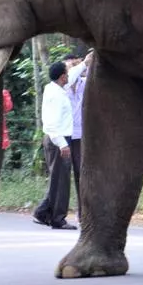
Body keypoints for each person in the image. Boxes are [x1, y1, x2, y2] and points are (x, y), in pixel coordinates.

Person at [33, 61, 77, 230]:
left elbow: (71, 78)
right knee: (61, 181)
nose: (69, 75)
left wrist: (84, 64)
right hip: (58, 139)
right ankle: (58, 218)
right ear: (62, 77)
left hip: (59, 138)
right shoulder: (56, 95)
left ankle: (43, 212)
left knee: (57, 178)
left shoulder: (55, 88)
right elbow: (51, 123)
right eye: (67, 73)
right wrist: (62, 144)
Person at [63, 51, 91, 218]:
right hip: (64, 136)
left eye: (76, 65)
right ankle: (56, 212)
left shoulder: (85, 83)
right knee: (61, 176)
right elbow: (71, 78)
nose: (74, 69)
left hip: (80, 136)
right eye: (70, 66)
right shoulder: (61, 86)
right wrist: (82, 64)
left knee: (82, 174)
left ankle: (84, 214)